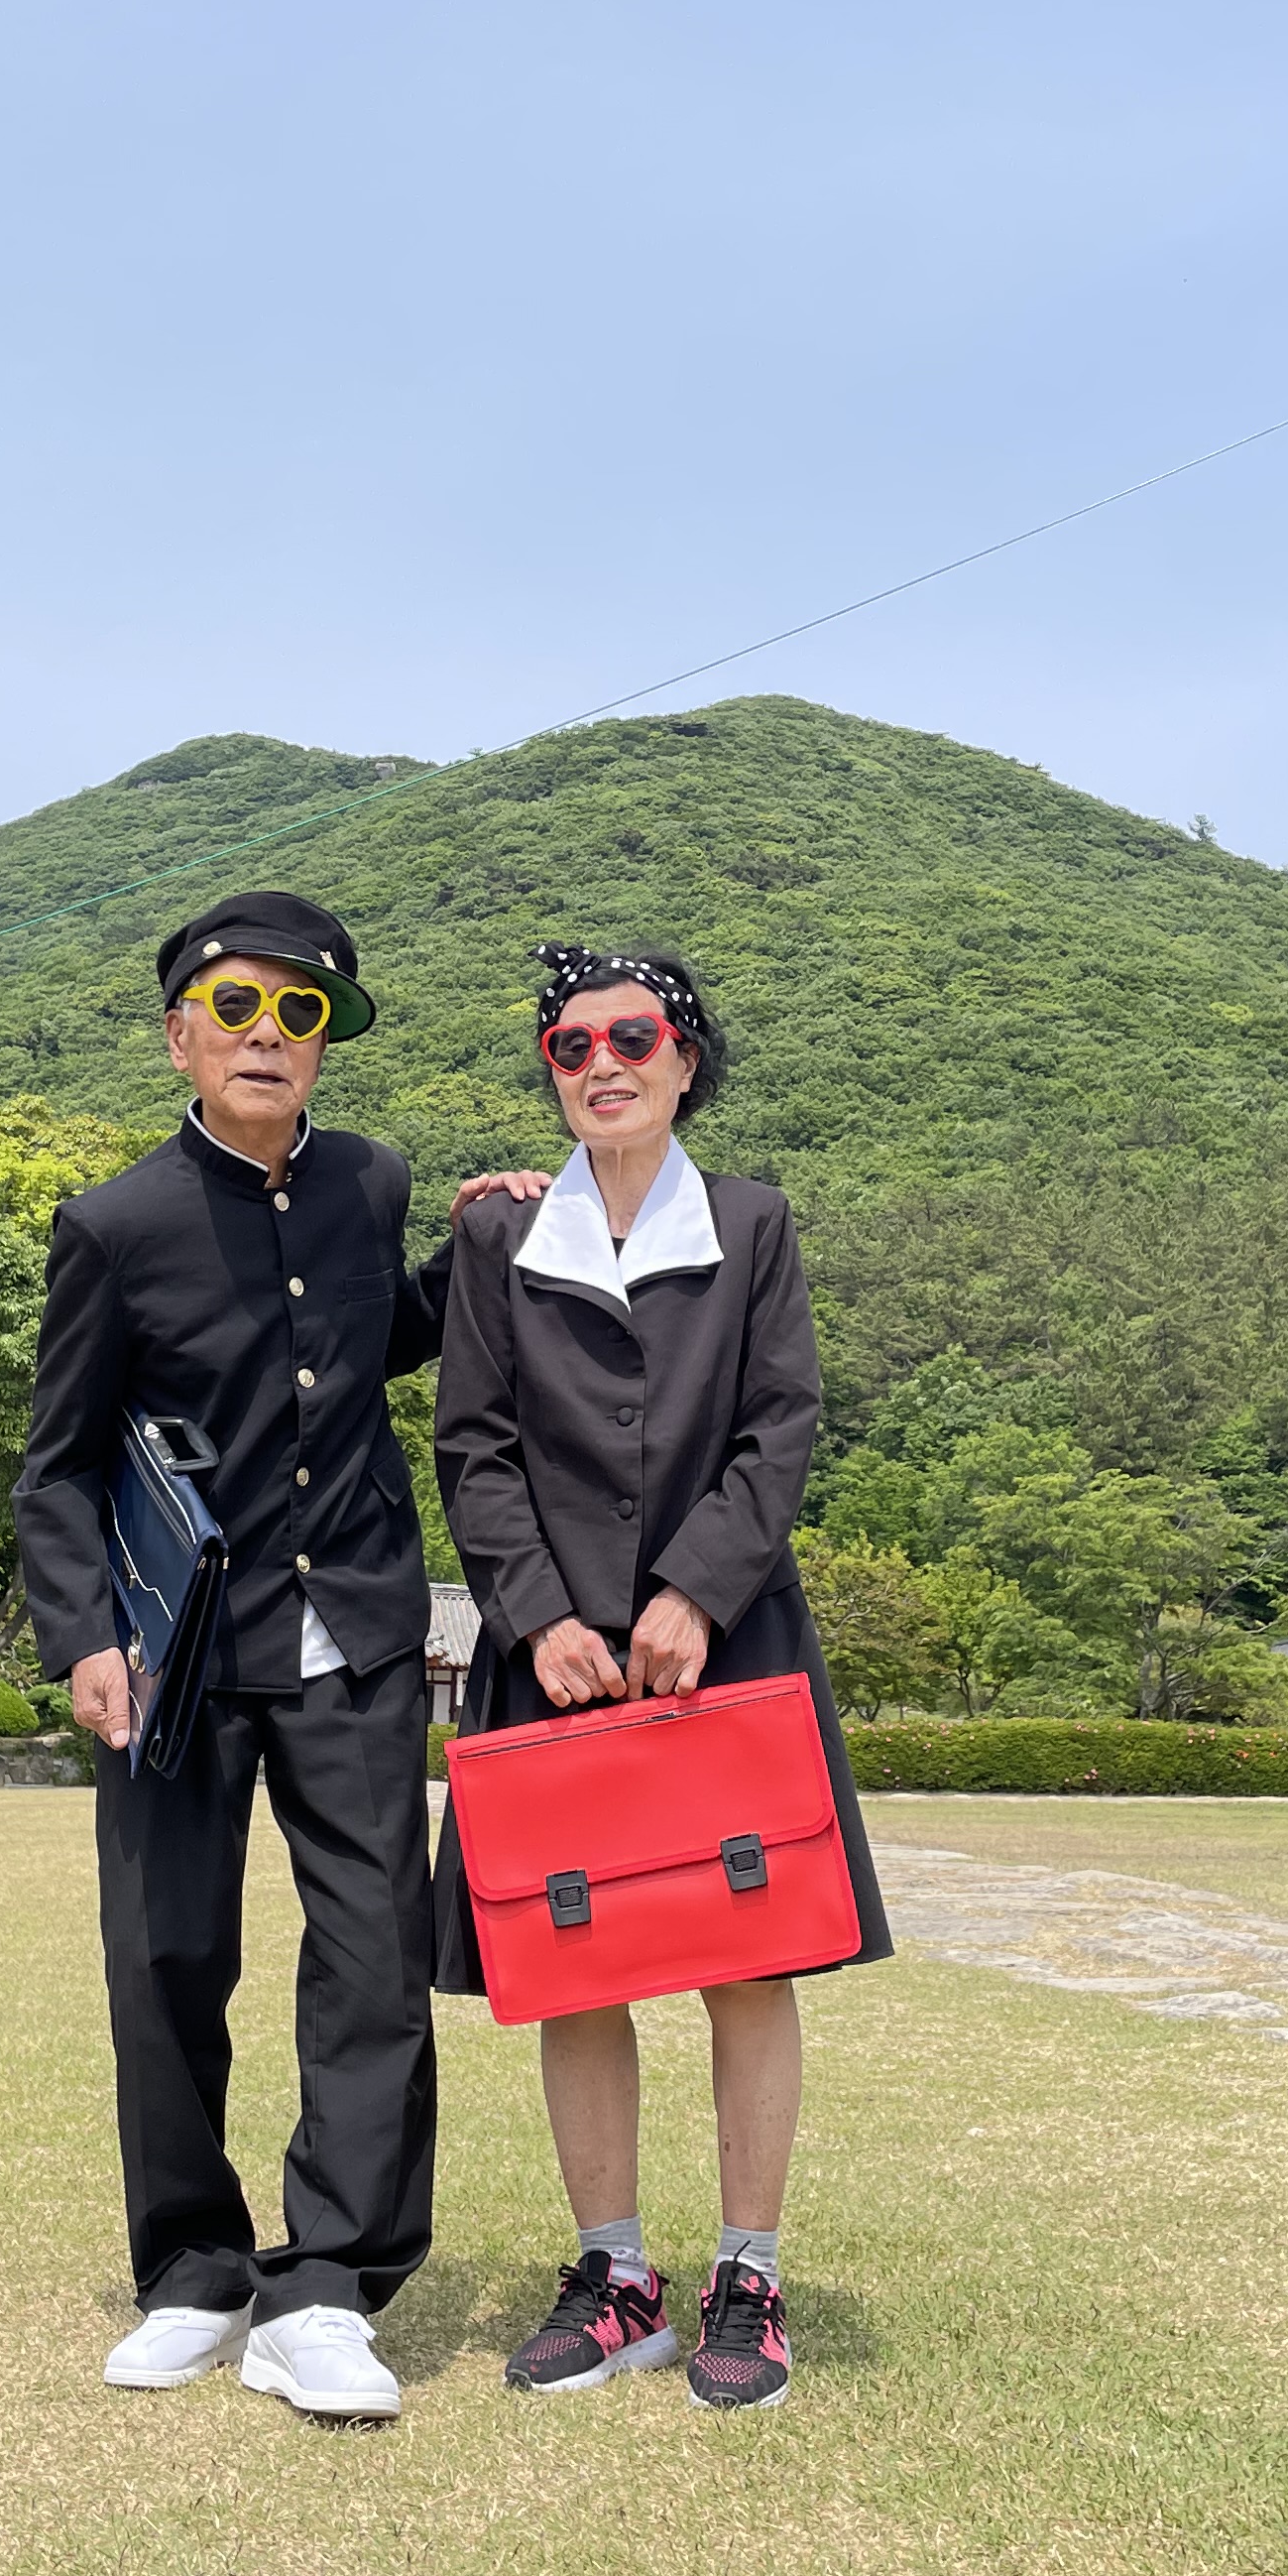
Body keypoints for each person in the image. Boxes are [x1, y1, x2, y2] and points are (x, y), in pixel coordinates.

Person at [14, 892, 539, 2423]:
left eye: (298, 1014)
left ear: (323, 1046)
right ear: (180, 1034)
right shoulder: (114, 1225)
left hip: (358, 1624)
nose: (267, 1035)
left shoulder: (371, 1182)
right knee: (167, 1954)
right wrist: (82, 1634)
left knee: (372, 1958)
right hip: (174, 1649)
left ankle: (327, 2288)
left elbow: (374, 1341)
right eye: (236, 1008)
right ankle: (193, 2271)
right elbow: (57, 1462)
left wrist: (478, 1242)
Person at [428, 943, 892, 2413]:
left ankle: (748, 2279)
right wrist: (535, 1615)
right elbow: (473, 1445)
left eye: (634, 1038)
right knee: (578, 1962)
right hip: (555, 1656)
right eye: (571, 1047)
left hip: (724, 1639)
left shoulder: (751, 1222)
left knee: (748, 1958)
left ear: (687, 1060)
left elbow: (780, 1421)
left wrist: (698, 1587)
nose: (603, 1065)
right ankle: (614, 2277)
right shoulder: (501, 1237)